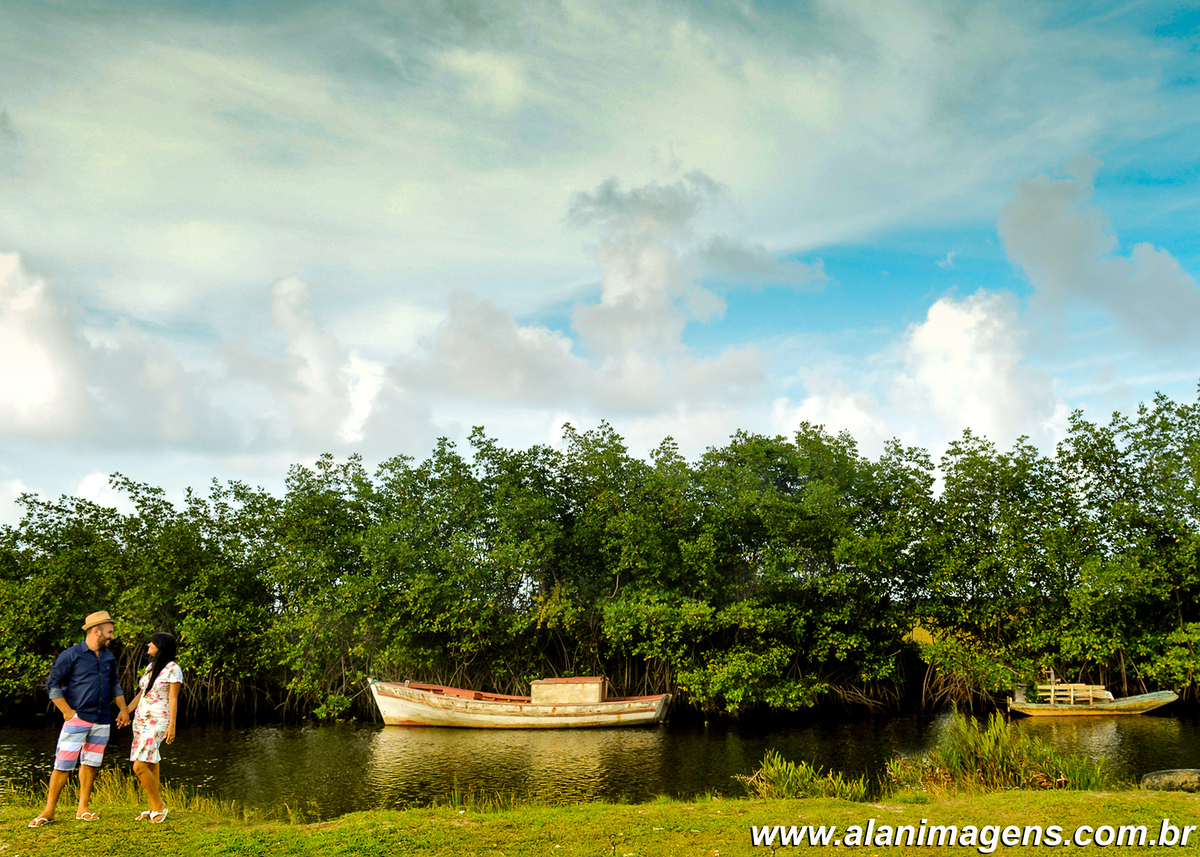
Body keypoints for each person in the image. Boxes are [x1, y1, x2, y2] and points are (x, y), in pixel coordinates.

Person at [29, 610, 131, 828]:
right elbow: (53, 685)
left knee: (90, 763)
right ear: (97, 631)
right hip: (77, 718)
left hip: (102, 718)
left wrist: (123, 710)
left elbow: (115, 684)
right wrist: (67, 712)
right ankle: (49, 810)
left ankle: (82, 808)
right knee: (63, 764)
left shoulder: (108, 657)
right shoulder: (71, 655)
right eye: (109, 632)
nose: (112, 636)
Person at [128, 632, 182, 823]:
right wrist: (126, 711)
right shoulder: (151, 666)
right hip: (140, 720)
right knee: (150, 763)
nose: (149, 644)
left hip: (158, 721)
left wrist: (172, 726)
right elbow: (144, 693)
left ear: (161, 646)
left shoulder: (173, 669)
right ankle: (153, 808)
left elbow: (173, 699)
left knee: (140, 765)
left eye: (153, 642)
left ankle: (158, 804)